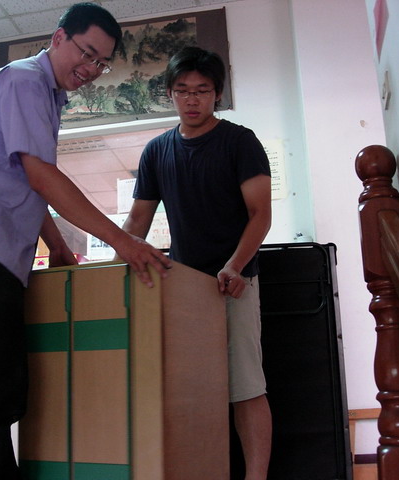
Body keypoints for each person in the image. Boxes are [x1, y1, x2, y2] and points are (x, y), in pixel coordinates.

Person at [0, 3, 171, 479]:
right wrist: (124, 242)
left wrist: (56, 245)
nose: (91, 69)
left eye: (102, 63)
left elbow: (27, 182)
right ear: (58, 38)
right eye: (87, 53)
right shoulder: (24, 81)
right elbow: (42, 176)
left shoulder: (48, 96)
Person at [121, 46, 272, 480]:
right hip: (183, 287)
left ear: (217, 94)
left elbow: (261, 214)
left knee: (245, 388)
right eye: (183, 90)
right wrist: (112, 277)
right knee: (190, 391)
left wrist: (235, 266)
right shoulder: (156, 151)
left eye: (202, 90)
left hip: (234, 282)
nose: (192, 99)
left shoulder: (240, 142)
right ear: (169, 93)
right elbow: (137, 221)